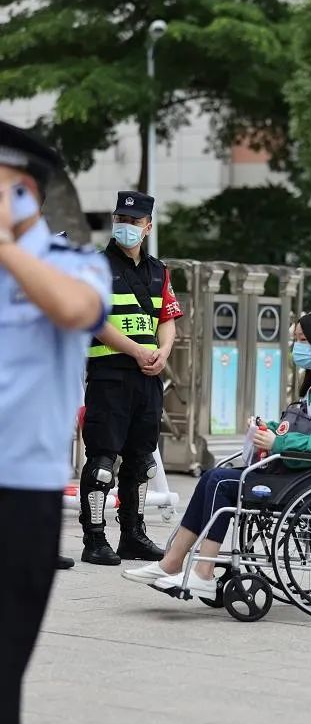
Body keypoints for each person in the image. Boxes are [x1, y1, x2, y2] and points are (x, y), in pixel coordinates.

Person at [0, 120, 111, 724]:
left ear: (22, 190)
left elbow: (76, 311)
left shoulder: (75, 263)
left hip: (19, 501)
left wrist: (7, 251)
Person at [121, 310, 311, 599]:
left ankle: (203, 571)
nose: (297, 346)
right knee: (212, 476)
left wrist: (279, 442)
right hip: (297, 473)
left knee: (221, 482)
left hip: (307, 478)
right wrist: (268, 430)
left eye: (303, 340)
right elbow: (306, 427)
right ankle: (172, 562)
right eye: (296, 339)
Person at [78, 190, 183, 565]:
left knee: (141, 462)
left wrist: (163, 354)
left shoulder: (159, 271)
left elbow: (167, 320)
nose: (126, 227)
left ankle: (133, 535)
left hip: (148, 378)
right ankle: (94, 539)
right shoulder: (95, 268)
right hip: (110, 376)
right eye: (120, 220)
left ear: (148, 227)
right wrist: (137, 350)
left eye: (134, 222)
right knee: (103, 461)